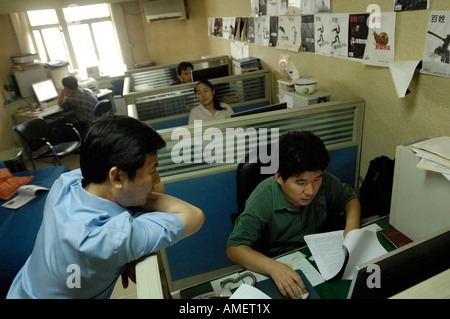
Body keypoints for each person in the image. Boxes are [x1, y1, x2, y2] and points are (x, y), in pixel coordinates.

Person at [7, 114, 204, 299]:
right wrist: (128, 246)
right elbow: (194, 216)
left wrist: (130, 247)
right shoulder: (111, 238)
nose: (157, 178)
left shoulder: (66, 182)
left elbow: (153, 187)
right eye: (152, 171)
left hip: (22, 288)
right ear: (117, 177)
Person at [226, 131, 360, 299]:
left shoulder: (324, 180)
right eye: (301, 182)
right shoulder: (261, 200)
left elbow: (349, 199)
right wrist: (273, 267)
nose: (310, 191)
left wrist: (352, 229)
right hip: (275, 260)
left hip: (314, 256)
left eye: (316, 180)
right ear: (279, 178)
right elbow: (234, 249)